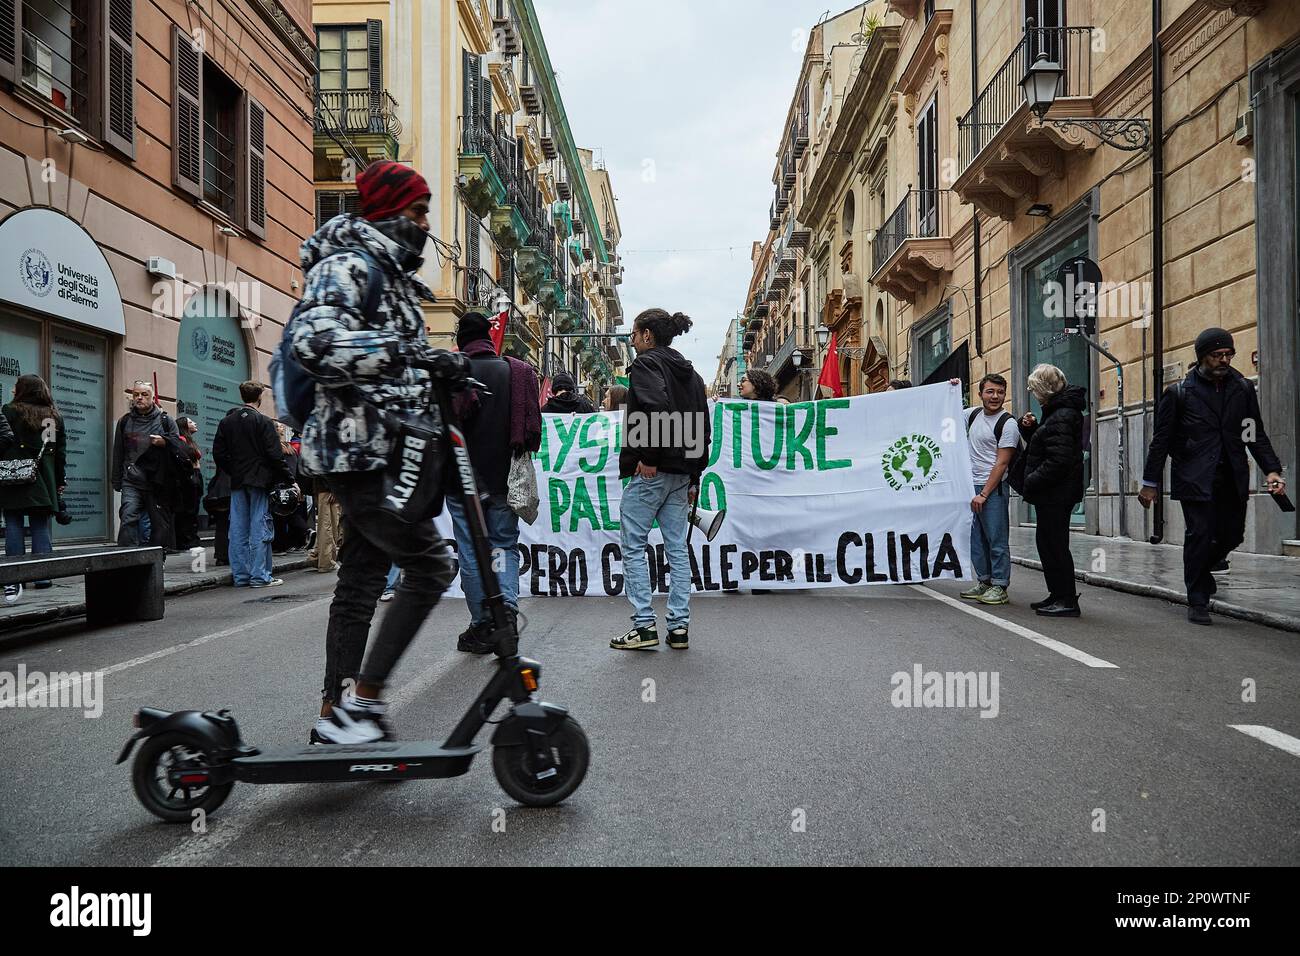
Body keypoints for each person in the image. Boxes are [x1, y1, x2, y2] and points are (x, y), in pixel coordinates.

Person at [291, 158, 457, 744]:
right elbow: (315, 341)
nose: (424, 225)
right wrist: (409, 355)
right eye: (416, 212)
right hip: (359, 456)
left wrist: (442, 376)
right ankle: (360, 704)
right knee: (432, 565)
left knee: (362, 580)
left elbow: (397, 371)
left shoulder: (391, 276)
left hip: (378, 454)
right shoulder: (347, 266)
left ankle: (338, 712)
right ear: (388, 212)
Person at [1139, 328, 1286, 625]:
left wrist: (1271, 469)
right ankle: (1197, 600)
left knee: (1234, 535)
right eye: (1217, 355)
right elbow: (1161, 440)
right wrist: (1149, 483)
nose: (1224, 360)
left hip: (1233, 475)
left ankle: (1201, 571)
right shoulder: (1179, 393)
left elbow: (1253, 432)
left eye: (1228, 355)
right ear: (1202, 357)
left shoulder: (1242, 389)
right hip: (1194, 476)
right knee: (1200, 534)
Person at [611, 308, 710, 651]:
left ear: (648, 335)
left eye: (634, 333)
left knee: (633, 544)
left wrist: (649, 458)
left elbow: (655, 408)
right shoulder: (693, 375)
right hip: (682, 473)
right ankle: (679, 627)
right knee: (677, 549)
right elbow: (701, 426)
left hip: (653, 471)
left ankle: (643, 625)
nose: (632, 340)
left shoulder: (646, 365)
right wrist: (694, 471)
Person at [446, 311, 542, 653]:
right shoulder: (516, 372)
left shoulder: (453, 372)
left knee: (471, 551)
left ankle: (482, 623)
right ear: (490, 336)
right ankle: (507, 615)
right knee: (503, 546)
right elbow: (532, 433)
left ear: (461, 339)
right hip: (503, 479)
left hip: (462, 484)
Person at [1014, 364, 1086, 618]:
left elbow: (1059, 459)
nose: (1033, 393)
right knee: (1047, 544)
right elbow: (1049, 445)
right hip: (1054, 492)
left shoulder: (1063, 414)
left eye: (1034, 388)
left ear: (1043, 389)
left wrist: (1031, 480)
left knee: (1054, 545)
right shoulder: (1056, 412)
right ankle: (1057, 594)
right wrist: (1030, 430)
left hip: (1057, 493)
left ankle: (1066, 599)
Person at [212, 381, 295, 588]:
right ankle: (260, 576)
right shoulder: (264, 422)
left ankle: (241, 576)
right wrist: (289, 480)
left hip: (238, 481)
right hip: (259, 480)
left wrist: (234, 470)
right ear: (259, 397)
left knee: (238, 529)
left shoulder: (227, 422)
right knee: (260, 527)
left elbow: (218, 454)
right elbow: (275, 456)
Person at [0, 375, 67, 598]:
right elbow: (59, 453)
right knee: (40, 525)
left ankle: (14, 576)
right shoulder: (53, 416)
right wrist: (59, 482)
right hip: (44, 477)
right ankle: (42, 576)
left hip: (13, 475)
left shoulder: (9, 411)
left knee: (13, 523)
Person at [960, 373, 1020, 606]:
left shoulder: (1008, 424)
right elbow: (945, 413)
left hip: (992, 489)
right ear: (980, 394)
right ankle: (984, 581)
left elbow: (1002, 463)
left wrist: (984, 493)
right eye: (990, 391)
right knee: (976, 538)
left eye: (1000, 392)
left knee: (996, 538)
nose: (995, 396)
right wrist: (951, 387)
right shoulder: (972, 414)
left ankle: (999, 585)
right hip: (970, 486)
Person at [111, 381, 178, 546]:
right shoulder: (125, 421)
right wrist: (116, 479)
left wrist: (165, 442)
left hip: (157, 481)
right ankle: (127, 559)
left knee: (157, 523)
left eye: (144, 394)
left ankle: (155, 559)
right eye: (136, 395)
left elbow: (179, 446)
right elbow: (118, 451)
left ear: (153, 397)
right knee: (128, 515)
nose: (139, 398)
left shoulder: (166, 421)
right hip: (131, 479)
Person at [172, 417, 204, 549]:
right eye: (190, 422)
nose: (195, 423)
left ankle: (190, 538)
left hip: (195, 476)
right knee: (189, 510)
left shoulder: (190, 441)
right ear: (184, 426)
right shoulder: (182, 441)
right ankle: (187, 539)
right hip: (190, 477)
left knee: (193, 508)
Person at [306, 474, 342, 572]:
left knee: (325, 525)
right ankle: (326, 562)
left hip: (322, 485)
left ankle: (318, 557)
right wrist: (333, 488)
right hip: (328, 486)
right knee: (329, 525)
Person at [203, 467, 232, 566]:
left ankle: (221, 556)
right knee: (228, 527)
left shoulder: (219, 474)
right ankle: (226, 555)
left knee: (221, 527)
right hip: (228, 497)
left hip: (218, 498)